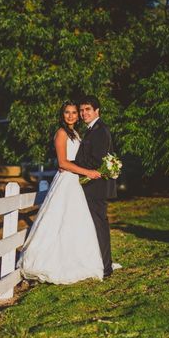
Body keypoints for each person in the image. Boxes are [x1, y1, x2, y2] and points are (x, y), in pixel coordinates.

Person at [17, 101, 105, 284]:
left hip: (75, 181)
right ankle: (52, 262)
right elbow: (63, 163)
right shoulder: (61, 133)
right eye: (67, 112)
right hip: (66, 181)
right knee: (59, 220)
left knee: (75, 221)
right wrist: (87, 172)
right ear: (62, 114)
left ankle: (77, 259)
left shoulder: (76, 133)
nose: (71, 115)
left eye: (74, 112)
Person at [73, 95, 118, 278]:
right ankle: (97, 262)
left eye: (87, 110)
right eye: (82, 110)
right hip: (91, 185)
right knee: (93, 225)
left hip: (96, 186)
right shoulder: (91, 130)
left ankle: (106, 268)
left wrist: (72, 164)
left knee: (99, 225)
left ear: (96, 111)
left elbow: (96, 160)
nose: (84, 114)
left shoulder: (100, 130)